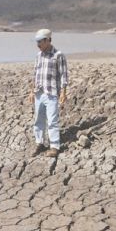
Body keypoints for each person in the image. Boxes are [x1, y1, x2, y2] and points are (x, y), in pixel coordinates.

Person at [29, 28, 68, 158]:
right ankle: (39, 143)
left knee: (52, 121)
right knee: (38, 120)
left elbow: (63, 75)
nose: (38, 45)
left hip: (51, 93)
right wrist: (31, 91)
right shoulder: (38, 56)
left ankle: (54, 146)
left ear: (48, 40)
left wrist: (63, 92)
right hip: (39, 92)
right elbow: (35, 74)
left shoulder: (58, 55)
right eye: (37, 42)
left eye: (40, 42)